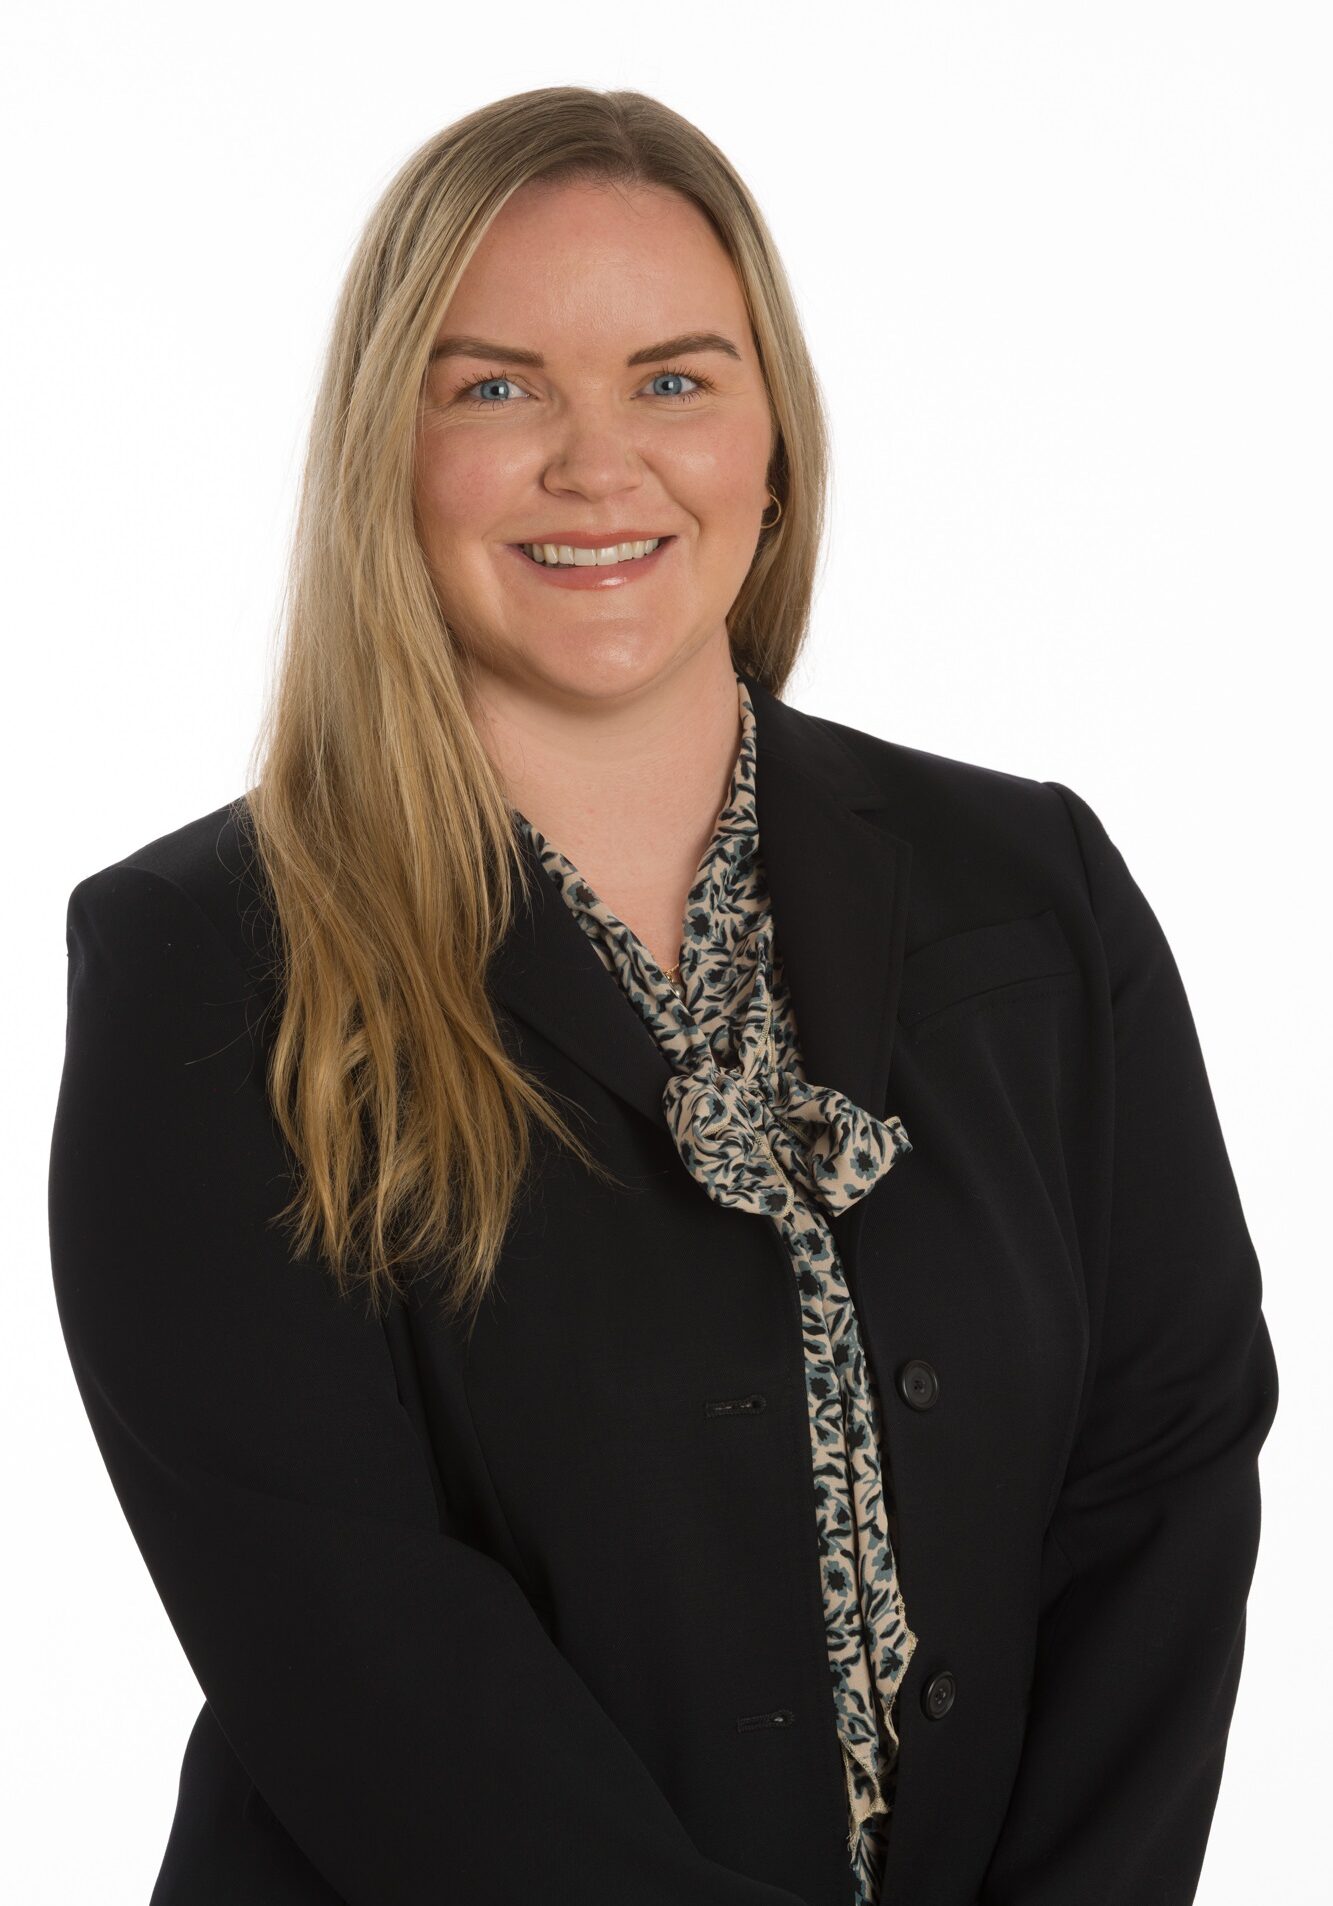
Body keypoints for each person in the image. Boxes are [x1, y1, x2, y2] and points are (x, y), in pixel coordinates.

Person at [48, 86, 1278, 1906]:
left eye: (674, 380)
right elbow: (359, 1649)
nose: (595, 463)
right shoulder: (209, 958)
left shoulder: (1031, 887)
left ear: (772, 440)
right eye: (496, 386)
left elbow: (1165, 1466)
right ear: (386, 447)